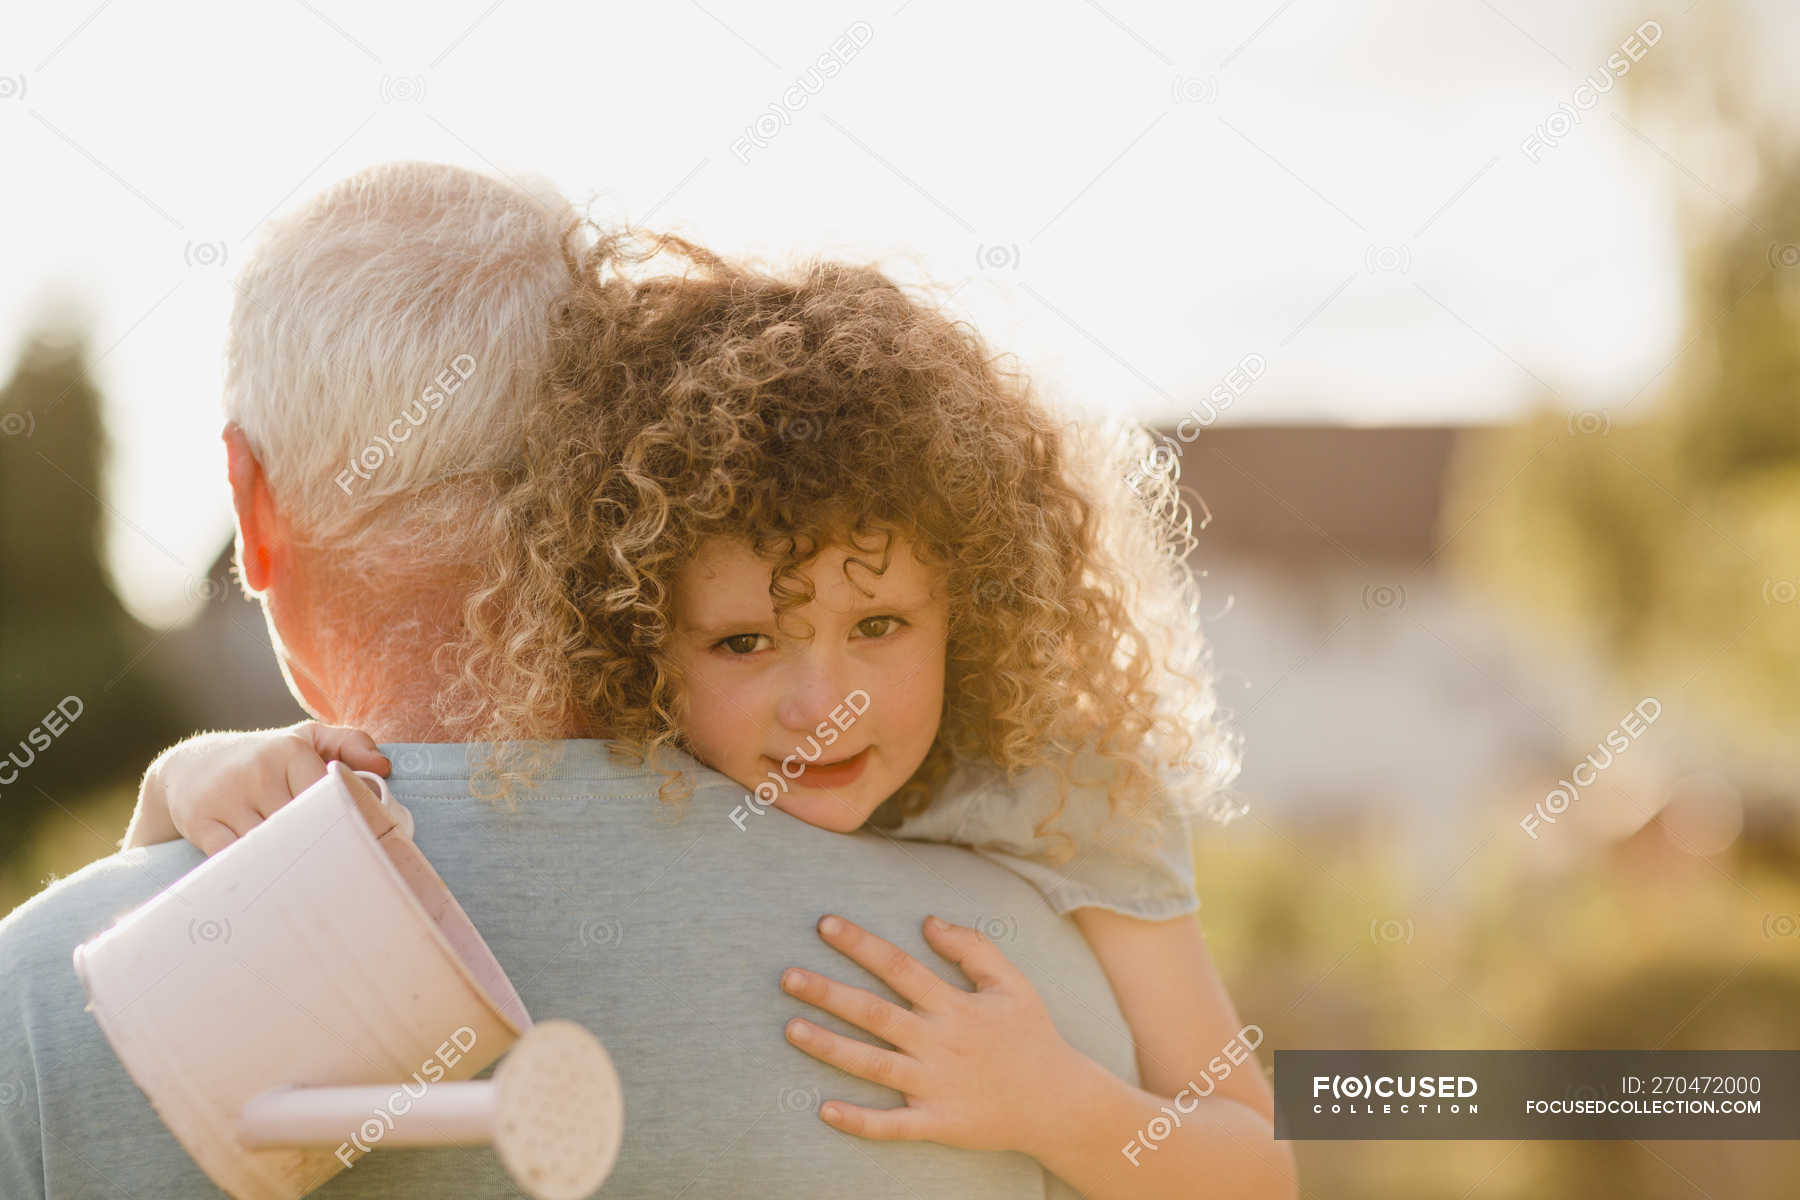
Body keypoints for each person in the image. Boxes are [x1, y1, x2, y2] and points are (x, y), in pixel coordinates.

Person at [0, 161, 1294, 1198]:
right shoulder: (1037, 971)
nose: (821, 702)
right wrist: (186, 782)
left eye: (884, 623)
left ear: (249, 502)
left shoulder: (43, 997)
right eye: (744, 642)